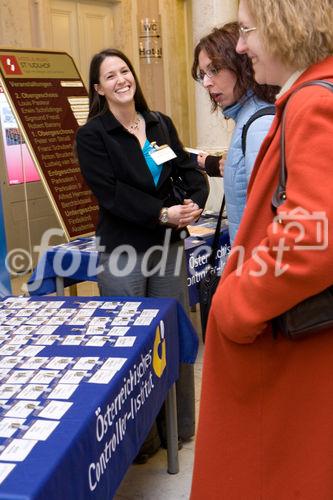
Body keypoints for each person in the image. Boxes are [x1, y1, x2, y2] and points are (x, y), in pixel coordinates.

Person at [191, 0, 333, 498]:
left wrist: (234, 305)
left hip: (287, 342)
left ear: (285, 27)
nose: (244, 44)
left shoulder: (313, 101)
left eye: (249, 31)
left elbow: (315, 238)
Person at [76, 48, 209, 459]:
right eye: (110, 75)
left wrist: (194, 204)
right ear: (98, 88)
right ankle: (139, 441)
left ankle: (180, 429)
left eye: (125, 70)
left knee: (173, 337)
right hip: (124, 252)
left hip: (168, 248)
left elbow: (187, 171)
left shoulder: (158, 124)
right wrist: (162, 212)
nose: (121, 79)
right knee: (131, 347)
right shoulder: (93, 136)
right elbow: (112, 195)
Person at [191, 22, 279, 244]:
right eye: (203, 74)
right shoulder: (248, 118)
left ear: (240, 64)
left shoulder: (258, 124)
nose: (207, 83)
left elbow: (270, 222)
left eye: (214, 70)